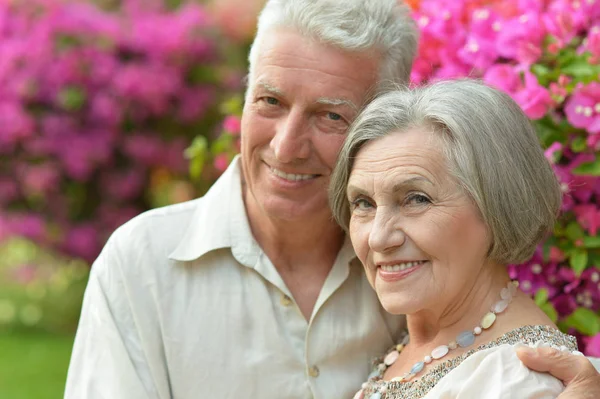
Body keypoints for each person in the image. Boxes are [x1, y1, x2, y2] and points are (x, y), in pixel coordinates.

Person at [64, 1, 600, 398]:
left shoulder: (417, 276)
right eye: (270, 101)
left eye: (331, 115)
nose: (286, 147)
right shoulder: (142, 265)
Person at [328, 79, 595, 398]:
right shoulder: (423, 339)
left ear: (498, 205)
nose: (378, 237)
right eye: (363, 203)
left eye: (416, 199)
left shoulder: (515, 380)